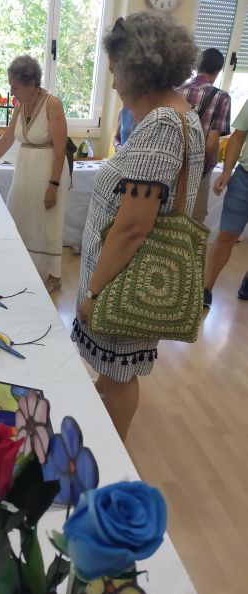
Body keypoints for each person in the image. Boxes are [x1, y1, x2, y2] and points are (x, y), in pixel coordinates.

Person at [71, 13, 204, 441]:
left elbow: (133, 227)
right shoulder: (180, 115)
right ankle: (100, 426)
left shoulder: (162, 126)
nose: (113, 85)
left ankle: (111, 457)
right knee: (112, 370)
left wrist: (94, 292)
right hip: (127, 273)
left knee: (119, 375)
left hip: (124, 278)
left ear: (136, 69)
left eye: (115, 72)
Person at [0, 55, 69, 293]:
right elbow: (7, 140)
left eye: (15, 87)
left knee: (48, 222)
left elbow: (60, 150)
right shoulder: (20, 105)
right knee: (17, 213)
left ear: (32, 84)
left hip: (49, 170)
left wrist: (53, 186)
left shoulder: (52, 104)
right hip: (25, 169)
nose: (11, 91)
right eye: (11, 85)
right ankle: (20, 264)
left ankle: (54, 276)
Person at [177, 48, 231, 224]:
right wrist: (213, 162)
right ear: (218, 71)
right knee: (193, 225)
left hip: (172, 166)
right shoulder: (221, 97)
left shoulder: (176, 91)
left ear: (197, 66)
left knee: (168, 220)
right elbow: (211, 145)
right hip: (198, 171)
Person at [204, 99, 248, 306]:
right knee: (227, 235)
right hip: (244, 179)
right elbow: (238, 136)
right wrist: (227, 171)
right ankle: (206, 288)